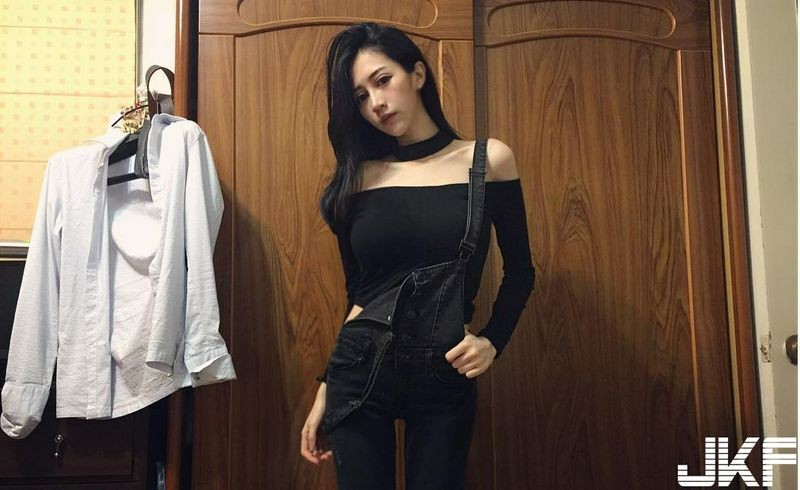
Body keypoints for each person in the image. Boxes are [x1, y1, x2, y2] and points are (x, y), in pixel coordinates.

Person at [300, 21, 535, 490]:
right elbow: (361, 295)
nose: (376, 103)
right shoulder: (358, 178)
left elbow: (521, 272)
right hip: (358, 373)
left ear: (418, 74)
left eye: (382, 80)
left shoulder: (487, 162)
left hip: (443, 371)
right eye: (360, 96)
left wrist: (492, 341)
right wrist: (327, 385)